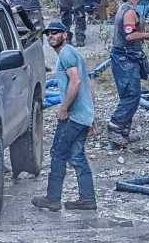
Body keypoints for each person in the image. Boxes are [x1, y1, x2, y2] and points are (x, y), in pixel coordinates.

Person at [32, 20, 97, 211]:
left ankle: (53, 198)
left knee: (58, 153)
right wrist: (92, 117)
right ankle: (88, 199)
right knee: (77, 156)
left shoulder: (67, 53)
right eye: (48, 33)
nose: (51, 36)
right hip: (82, 115)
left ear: (65, 35)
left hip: (74, 116)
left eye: (55, 32)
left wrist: (64, 108)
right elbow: (87, 85)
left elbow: (76, 83)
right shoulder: (71, 54)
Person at [108, 0, 149, 146]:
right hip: (125, 59)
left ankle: (124, 132)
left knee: (131, 94)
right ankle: (115, 127)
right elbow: (129, 35)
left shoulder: (126, 9)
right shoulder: (130, 12)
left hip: (126, 58)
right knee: (131, 95)